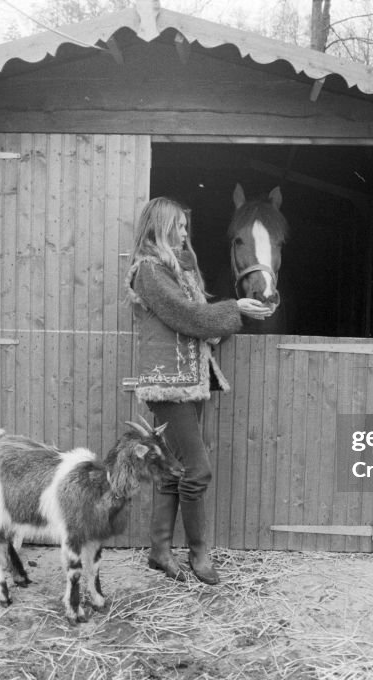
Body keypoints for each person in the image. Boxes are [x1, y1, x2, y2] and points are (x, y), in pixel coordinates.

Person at [124, 197, 272, 584]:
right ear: (160, 227)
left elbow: (203, 322)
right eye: (180, 227)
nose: (187, 234)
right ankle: (199, 554)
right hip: (169, 386)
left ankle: (159, 551)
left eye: (186, 227)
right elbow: (189, 317)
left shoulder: (177, 272)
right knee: (198, 470)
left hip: (190, 382)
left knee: (175, 471)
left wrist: (235, 314)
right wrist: (234, 309)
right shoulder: (150, 272)